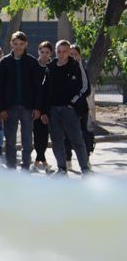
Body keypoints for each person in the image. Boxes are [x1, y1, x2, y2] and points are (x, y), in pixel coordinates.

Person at [37, 39, 91, 175]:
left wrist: (72, 103)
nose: (61, 54)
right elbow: (44, 91)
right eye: (59, 51)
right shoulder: (50, 67)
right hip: (53, 111)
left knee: (77, 140)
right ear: (55, 52)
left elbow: (85, 88)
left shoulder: (76, 66)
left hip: (70, 110)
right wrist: (44, 111)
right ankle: (62, 168)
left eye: (64, 52)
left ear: (69, 52)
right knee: (56, 141)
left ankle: (85, 168)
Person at [0, 31, 41, 171]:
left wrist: (37, 107)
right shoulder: (4, 62)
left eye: (21, 44)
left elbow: (38, 87)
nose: (18, 47)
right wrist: (1, 108)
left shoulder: (32, 62)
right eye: (15, 44)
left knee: (27, 140)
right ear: (11, 44)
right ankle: (11, 166)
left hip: (28, 107)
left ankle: (26, 165)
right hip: (9, 108)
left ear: (26, 44)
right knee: (10, 139)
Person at [33, 41, 54, 171]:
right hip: (35, 107)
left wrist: (46, 111)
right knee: (37, 135)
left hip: (48, 107)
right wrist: (36, 108)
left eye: (47, 52)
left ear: (51, 53)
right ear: (38, 52)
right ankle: (43, 163)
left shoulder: (53, 67)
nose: (44, 54)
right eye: (42, 52)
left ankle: (37, 163)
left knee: (45, 136)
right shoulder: (34, 66)